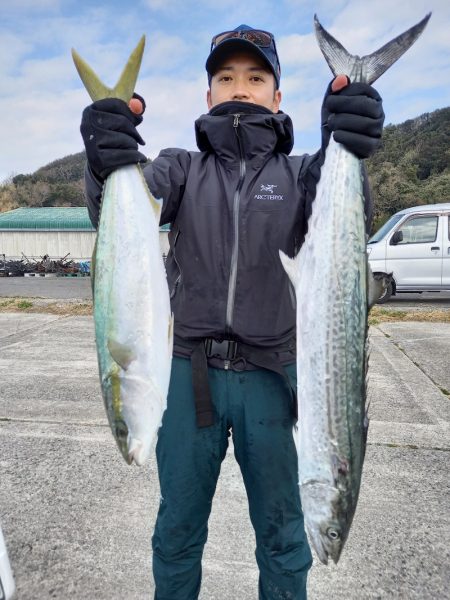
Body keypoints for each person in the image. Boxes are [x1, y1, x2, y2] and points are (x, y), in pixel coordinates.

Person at [80, 24, 384, 600]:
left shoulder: (300, 174)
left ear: (276, 96)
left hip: (275, 380)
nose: (239, 87)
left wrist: (349, 142)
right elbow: (119, 214)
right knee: (176, 532)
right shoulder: (180, 168)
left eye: (255, 77)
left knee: (284, 539)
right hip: (187, 379)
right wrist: (102, 161)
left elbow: (345, 209)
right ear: (208, 95)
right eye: (225, 77)